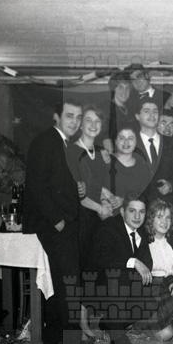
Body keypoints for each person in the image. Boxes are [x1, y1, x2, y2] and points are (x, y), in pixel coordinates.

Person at [23, 99, 84, 344]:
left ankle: (54, 339)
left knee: (60, 280)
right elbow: (36, 186)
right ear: (57, 117)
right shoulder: (45, 141)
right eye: (70, 116)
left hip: (65, 221)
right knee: (68, 282)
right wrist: (57, 220)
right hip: (54, 223)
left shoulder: (66, 144)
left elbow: (58, 182)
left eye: (78, 117)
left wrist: (77, 188)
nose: (75, 122)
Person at [90, 195, 152, 344]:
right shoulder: (109, 227)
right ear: (123, 211)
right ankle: (118, 337)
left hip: (126, 286)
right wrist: (133, 262)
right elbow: (102, 259)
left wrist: (139, 266)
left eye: (141, 212)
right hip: (102, 285)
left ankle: (108, 323)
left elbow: (147, 263)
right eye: (132, 211)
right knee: (118, 276)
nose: (137, 216)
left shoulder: (141, 231)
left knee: (149, 302)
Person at [138, 199, 173, 340]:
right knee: (166, 334)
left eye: (168, 218)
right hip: (150, 290)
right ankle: (144, 324)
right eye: (159, 217)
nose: (164, 222)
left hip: (172, 286)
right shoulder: (141, 240)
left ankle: (171, 324)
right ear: (151, 219)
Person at [65, 105, 115, 269]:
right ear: (80, 124)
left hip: (99, 218)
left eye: (97, 121)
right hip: (81, 219)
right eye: (88, 120)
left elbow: (97, 185)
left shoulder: (101, 152)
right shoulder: (71, 151)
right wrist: (100, 208)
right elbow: (78, 193)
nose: (93, 125)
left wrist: (107, 199)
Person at [133, 97, 173, 207]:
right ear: (138, 116)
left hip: (166, 206)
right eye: (147, 111)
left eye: (155, 112)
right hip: (139, 207)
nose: (152, 115)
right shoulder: (130, 143)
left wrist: (171, 185)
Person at [108, 126, 152, 210]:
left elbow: (146, 196)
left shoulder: (142, 167)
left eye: (130, 138)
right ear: (116, 141)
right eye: (122, 138)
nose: (126, 142)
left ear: (136, 142)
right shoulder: (105, 161)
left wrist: (124, 200)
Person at [105, 70, 134, 153]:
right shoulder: (106, 109)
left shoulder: (131, 110)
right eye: (120, 87)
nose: (124, 91)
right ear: (113, 88)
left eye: (127, 88)